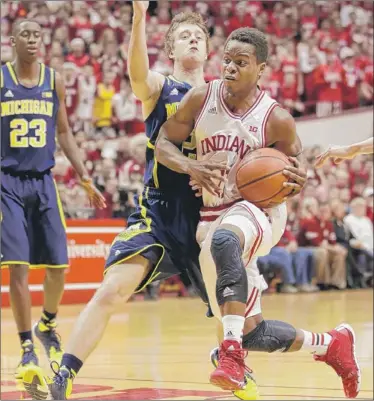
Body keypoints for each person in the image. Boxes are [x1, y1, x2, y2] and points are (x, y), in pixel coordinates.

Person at [22, 5, 254, 400]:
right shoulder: (160, 87)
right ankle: (64, 376)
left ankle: (234, 370)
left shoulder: (223, 99)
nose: (193, 38)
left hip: (208, 218)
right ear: (169, 49)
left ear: (210, 48)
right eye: (184, 35)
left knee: (226, 310)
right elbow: (136, 76)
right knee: (112, 289)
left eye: (199, 35)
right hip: (159, 212)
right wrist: (139, 17)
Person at [155, 27, 360, 399]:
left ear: (261, 69)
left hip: (261, 211)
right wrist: (191, 167)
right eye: (227, 60)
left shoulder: (275, 117)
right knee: (252, 330)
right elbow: (163, 143)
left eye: (241, 62)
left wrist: (298, 176)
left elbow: (297, 161)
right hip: (212, 218)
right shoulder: (202, 98)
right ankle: (331, 344)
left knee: (226, 237)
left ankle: (230, 357)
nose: (230, 67)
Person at [1, 19, 105, 383]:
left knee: (59, 267)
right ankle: (27, 346)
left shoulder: (53, 79)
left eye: (37, 35)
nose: (32, 40)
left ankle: (47, 325)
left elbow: (63, 132)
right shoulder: (1, 80)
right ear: (12, 41)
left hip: (44, 182)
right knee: (17, 265)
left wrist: (85, 176)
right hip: (7, 181)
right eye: (25, 35)